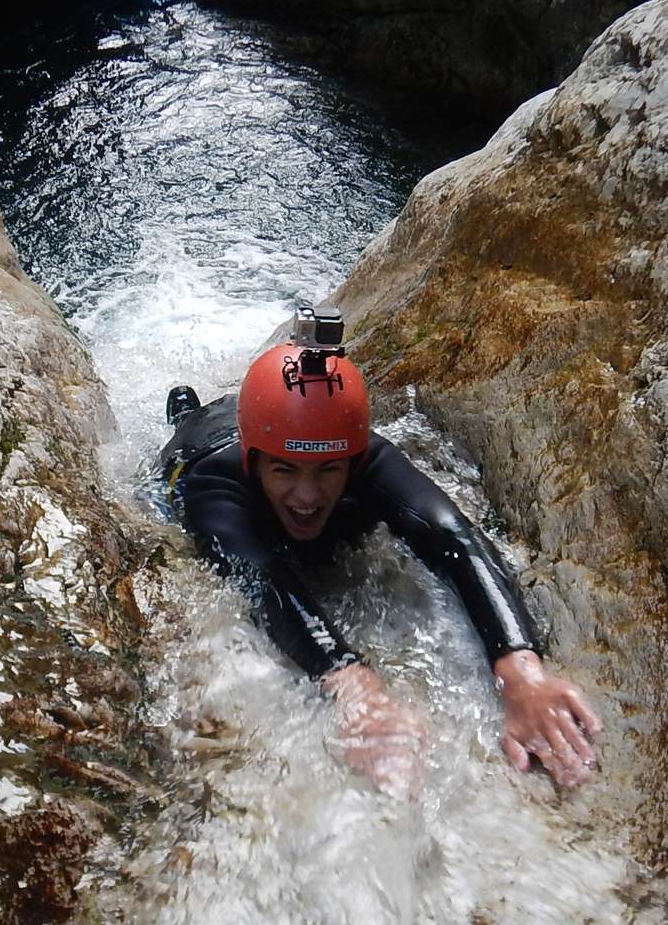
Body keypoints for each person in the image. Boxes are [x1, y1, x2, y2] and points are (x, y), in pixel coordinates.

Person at [159, 307, 603, 793]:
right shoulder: (215, 485)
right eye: (284, 471)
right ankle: (184, 409)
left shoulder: (367, 455)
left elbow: (455, 539)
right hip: (200, 443)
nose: (307, 497)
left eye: (329, 470)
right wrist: (352, 682)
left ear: (352, 459)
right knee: (188, 416)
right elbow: (263, 578)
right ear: (256, 464)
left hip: (262, 420)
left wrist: (520, 670)